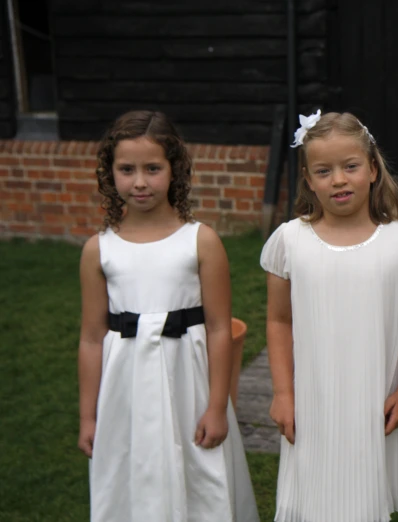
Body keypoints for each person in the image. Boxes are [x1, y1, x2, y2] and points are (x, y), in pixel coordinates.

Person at [77, 110, 259, 522]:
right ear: (111, 173)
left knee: (199, 471)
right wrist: (89, 416)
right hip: (126, 387)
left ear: (174, 170)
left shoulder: (201, 241)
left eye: (152, 168)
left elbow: (217, 328)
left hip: (188, 382)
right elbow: (91, 337)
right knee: (133, 472)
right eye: (126, 169)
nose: (139, 182)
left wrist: (217, 406)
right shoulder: (99, 250)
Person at [261, 110, 398, 522]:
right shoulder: (290, 241)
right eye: (324, 171)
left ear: (373, 169)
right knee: (319, 497)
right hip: (314, 399)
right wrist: (284, 393)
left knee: (366, 498)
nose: (338, 180)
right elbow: (279, 321)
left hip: (377, 399)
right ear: (308, 180)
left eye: (350, 166)